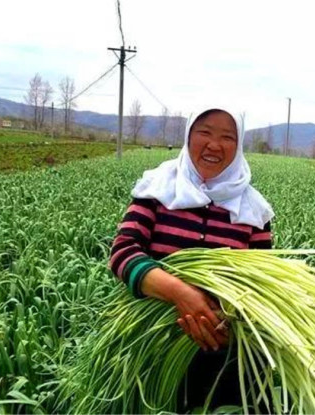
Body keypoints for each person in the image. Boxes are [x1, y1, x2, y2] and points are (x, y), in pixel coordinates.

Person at [108, 106, 274, 412]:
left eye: (227, 136)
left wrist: (230, 326)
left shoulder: (253, 211)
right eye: (205, 132)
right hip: (150, 351)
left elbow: (263, 291)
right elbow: (123, 252)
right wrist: (180, 294)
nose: (214, 144)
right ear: (188, 135)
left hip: (221, 359)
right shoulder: (158, 189)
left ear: (238, 147)